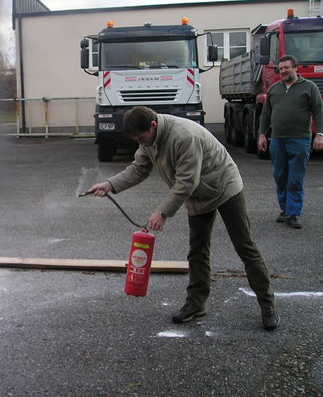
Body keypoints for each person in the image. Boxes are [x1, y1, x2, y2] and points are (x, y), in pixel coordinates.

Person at [88, 106, 279, 330]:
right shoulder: (148, 141)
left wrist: (163, 212)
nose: (141, 144)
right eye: (137, 140)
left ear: (153, 125)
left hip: (224, 187)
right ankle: (196, 304)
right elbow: (138, 169)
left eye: (142, 138)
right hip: (198, 195)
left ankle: (268, 305)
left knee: (245, 246)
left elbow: (187, 181)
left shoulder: (183, 135)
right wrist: (110, 184)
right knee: (197, 249)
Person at [258, 54, 323, 229]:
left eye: (287, 68)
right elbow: (266, 114)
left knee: (295, 178)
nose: (283, 71)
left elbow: (319, 111)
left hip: (300, 139)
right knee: (280, 176)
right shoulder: (274, 89)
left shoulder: (309, 88)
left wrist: (320, 134)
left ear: (296, 68)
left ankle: (293, 213)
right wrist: (262, 134)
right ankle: (285, 209)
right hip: (277, 139)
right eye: (281, 69)